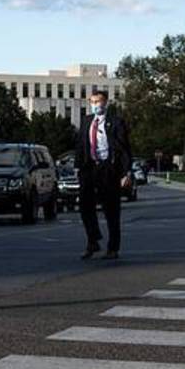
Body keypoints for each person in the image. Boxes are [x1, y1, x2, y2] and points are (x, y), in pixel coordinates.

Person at [75, 89, 133, 260]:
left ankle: (113, 247)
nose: (95, 105)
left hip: (109, 168)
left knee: (111, 209)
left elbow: (124, 148)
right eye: (92, 102)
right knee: (85, 206)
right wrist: (78, 167)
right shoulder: (86, 121)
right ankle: (93, 240)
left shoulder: (115, 122)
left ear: (105, 103)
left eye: (98, 101)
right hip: (89, 167)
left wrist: (125, 172)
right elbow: (80, 145)